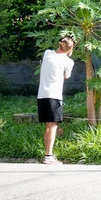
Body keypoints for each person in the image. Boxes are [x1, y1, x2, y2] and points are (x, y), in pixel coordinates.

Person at [37, 36, 75, 164]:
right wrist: (68, 55)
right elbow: (67, 76)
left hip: (42, 94)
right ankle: (48, 155)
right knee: (53, 125)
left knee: (48, 126)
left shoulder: (47, 54)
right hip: (54, 95)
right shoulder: (68, 62)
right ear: (70, 49)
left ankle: (47, 154)